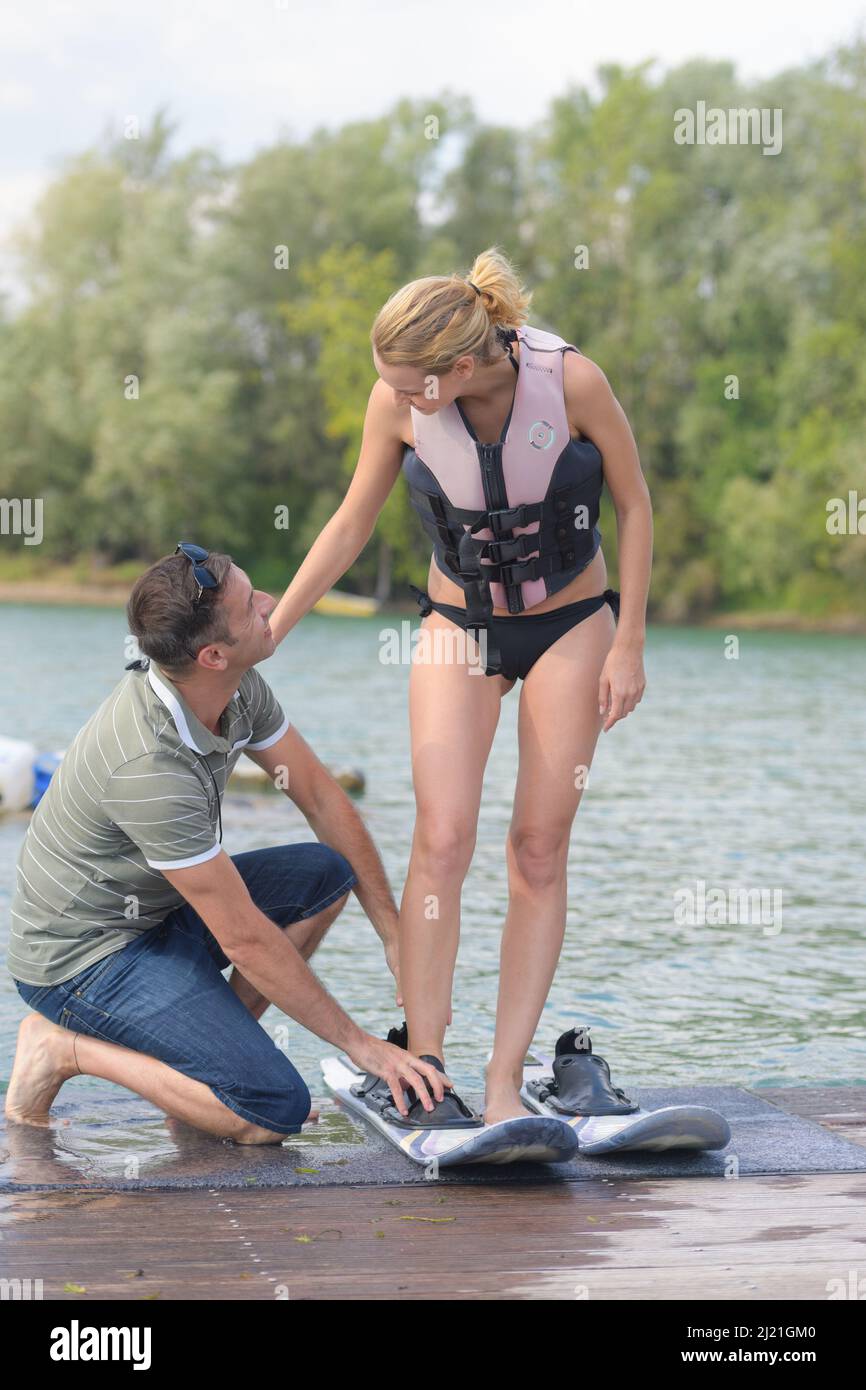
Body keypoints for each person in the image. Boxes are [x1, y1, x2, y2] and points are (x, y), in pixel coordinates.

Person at [267, 247, 652, 1127]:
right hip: (458, 629)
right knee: (441, 839)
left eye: (410, 387)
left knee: (537, 850)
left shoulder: (574, 382)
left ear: (463, 366)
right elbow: (352, 520)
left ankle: (505, 1083)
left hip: (570, 624)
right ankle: (424, 1066)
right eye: (391, 387)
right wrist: (276, 628)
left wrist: (628, 641)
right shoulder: (397, 400)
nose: (399, 402)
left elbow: (635, 502)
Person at [5, 544, 452, 1139]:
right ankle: (61, 1048)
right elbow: (244, 940)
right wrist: (362, 1047)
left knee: (325, 874)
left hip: (158, 916)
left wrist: (394, 933)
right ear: (212, 654)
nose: (269, 604)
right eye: (250, 606)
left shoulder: (236, 688)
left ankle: (203, 1076)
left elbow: (319, 796)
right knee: (269, 1113)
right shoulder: (147, 765)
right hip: (83, 960)